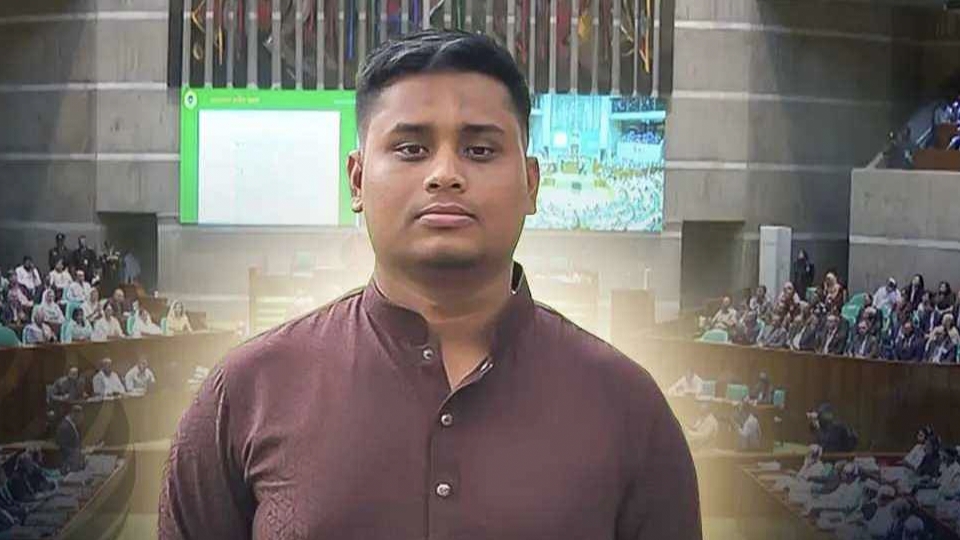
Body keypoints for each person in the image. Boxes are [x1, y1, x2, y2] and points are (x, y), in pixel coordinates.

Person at [161, 29, 701, 539]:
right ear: (357, 179)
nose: (445, 173)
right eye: (411, 149)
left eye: (480, 150)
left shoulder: (628, 406)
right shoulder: (247, 393)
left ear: (531, 184)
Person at [56, 405, 86, 473]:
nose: (81, 421)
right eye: (80, 418)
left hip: (73, 462)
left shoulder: (72, 425)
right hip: (67, 466)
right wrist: (79, 453)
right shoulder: (65, 427)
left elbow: (74, 443)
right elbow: (63, 447)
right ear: (74, 415)